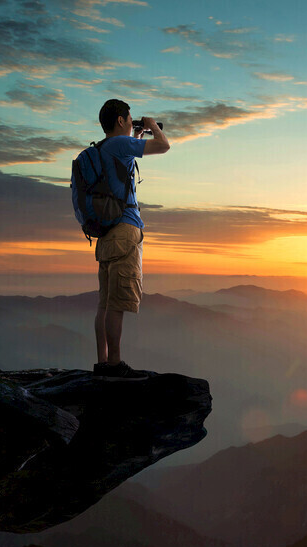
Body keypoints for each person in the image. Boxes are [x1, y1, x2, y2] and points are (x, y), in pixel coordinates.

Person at [91, 99, 170, 379]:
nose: (133, 122)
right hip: (125, 231)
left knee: (105, 301)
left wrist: (135, 137)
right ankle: (114, 365)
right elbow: (164, 146)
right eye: (131, 118)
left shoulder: (101, 149)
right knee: (118, 302)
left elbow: (120, 168)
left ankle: (102, 362)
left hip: (106, 234)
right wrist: (151, 127)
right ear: (122, 120)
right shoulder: (119, 145)